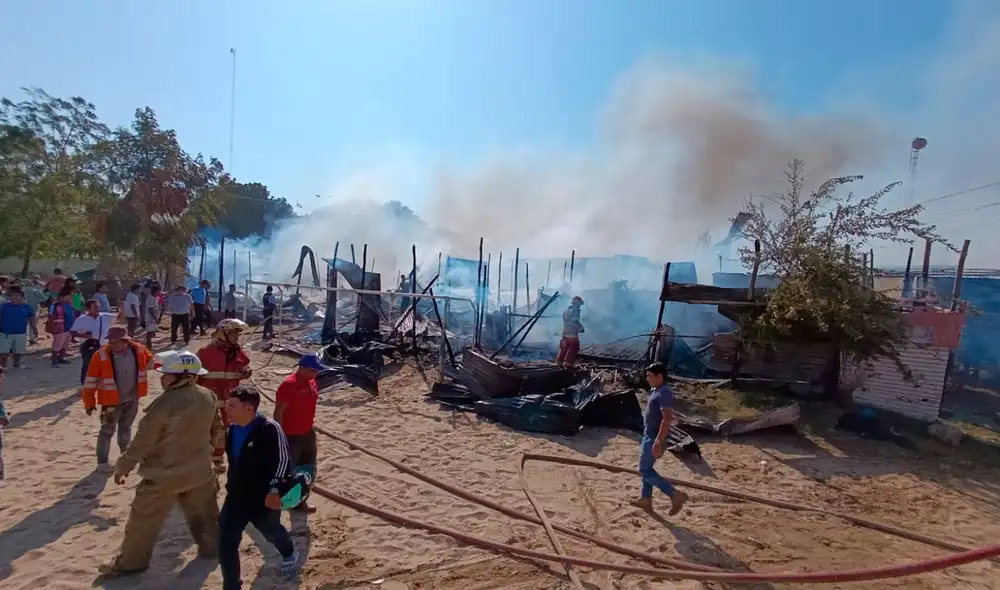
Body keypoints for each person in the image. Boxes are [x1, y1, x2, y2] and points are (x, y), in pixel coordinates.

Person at [98, 349, 224, 578]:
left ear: (179, 376)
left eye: (165, 374)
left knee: (143, 522)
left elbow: (143, 441)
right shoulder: (208, 396)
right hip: (200, 472)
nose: (162, 378)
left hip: (164, 476)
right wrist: (202, 452)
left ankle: (131, 563)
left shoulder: (164, 404)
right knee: (206, 516)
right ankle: (212, 550)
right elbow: (217, 430)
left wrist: (123, 466)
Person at [220, 386, 301, 588]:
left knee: (271, 531)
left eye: (232, 405)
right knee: (226, 542)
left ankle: (289, 553)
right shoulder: (231, 429)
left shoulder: (270, 429)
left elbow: (283, 462)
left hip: (263, 498)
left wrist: (275, 490)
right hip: (236, 497)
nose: (226, 408)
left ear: (248, 409)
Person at [81, 326, 155, 467]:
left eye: (116, 342)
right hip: (110, 402)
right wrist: (89, 403)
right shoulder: (100, 355)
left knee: (125, 428)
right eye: (111, 341)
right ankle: (102, 462)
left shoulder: (138, 350)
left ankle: (124, 457)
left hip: (132, 398)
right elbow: (90, 381)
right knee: (106, 430)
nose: (113, 344)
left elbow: (151, 361)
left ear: (125, 341)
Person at [630, 362, 688, 515]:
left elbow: (667, 418)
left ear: (659, 376)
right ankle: (645, 498)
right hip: (649, 435)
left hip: (654, 437)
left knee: (644, 470)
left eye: (650, 376)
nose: (647, 378)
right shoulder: (656, 389)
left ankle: (673, 494)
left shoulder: (665, 392)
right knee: (646, 468)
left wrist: (658, 440)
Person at [273, 354, 327, 513]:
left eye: (317, 371)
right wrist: (280, 435)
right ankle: (284, 503)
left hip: (307, 433)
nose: (315, 374)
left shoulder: (312, 382)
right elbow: (278, 412)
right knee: (290, 472)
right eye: (312, 370)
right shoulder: (289, 385)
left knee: (308, 469)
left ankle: (301, 502)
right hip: (291, 436)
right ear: (301, 368)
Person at [198, 319, 252, 472]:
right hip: (210, 400)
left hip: (229, 400)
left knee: (226, 430)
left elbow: (244, 365)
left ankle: (218, 459)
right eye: (233, 332)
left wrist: (246, 371)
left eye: (237, 333)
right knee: (209, 430)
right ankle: (206, 460)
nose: (236, 336)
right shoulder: (205, 352)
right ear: (223, 333)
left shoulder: (237, 351)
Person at [71, 299, 119, 386]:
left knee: (105, 365)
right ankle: (84, 385)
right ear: (89, 308)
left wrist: (122, 306)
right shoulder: (82, 319)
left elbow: (120, 317)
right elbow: (73, 332)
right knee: (87, 366)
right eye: (95, 306)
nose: (98, 308)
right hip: (88, 347)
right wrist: (85, 336)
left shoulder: (104, 316)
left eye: (98, 306)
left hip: (104, 346)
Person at [0, 286, 37, 369]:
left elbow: (31, 318)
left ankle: (16, 364)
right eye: (13, 295)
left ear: (22, 297)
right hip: (5, 332)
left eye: (17, 295)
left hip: (20, 333)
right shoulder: (4, 306)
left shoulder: (27, 307)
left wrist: (34, 329)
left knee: (18, 351)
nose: (15, 297)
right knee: (3, 351)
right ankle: (3, 365)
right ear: (10, 296)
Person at [47, 288, 76, 366]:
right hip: (59, 327)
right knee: (57, 344)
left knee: (65, 344)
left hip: (69, 327)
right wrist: (52, 327)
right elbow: (51, 316)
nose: (70, 298)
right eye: (68, 296)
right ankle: (54, 361)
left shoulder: (69, 305)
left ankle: (61, 358)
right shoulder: (55, 305)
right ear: (61, 297)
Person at [556, 296, 585, 367]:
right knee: (574, 347)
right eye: (579, 304)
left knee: (564, 348)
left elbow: (566, 321)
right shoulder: (575, 311)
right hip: (572, 334)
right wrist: (581, 328)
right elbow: (574, 322)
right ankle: (568, 364)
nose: (579, 306)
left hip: (565, 333)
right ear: (576, 303)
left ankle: (559, 363)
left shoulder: (566, 311)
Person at [143, 284, 162, 348]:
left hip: (152, 318)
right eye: (159, 291)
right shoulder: (151, 299)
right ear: (156, 291)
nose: (160, 292)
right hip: (150, 318)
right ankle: (148, 345)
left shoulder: (154, 298)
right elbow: (151, 310)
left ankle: (149, 344)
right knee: (150, 332)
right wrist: (156, 318)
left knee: (152, 331)